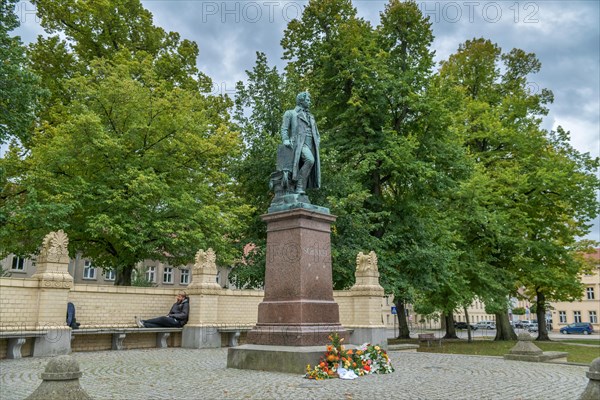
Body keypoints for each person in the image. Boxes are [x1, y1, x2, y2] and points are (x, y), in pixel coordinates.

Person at [280, 91, 321, 194]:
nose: (310, 102)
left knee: (311, 162)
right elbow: (284, 128)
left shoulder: (311, 116)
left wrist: (318, 141)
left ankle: (300, 188)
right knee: (310, 160)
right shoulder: (290, 113)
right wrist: (285, 139)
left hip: (311, 144)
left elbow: (316, 132)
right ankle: (299, 185)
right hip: (298, 143)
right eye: (308, 100)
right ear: (301, 101)